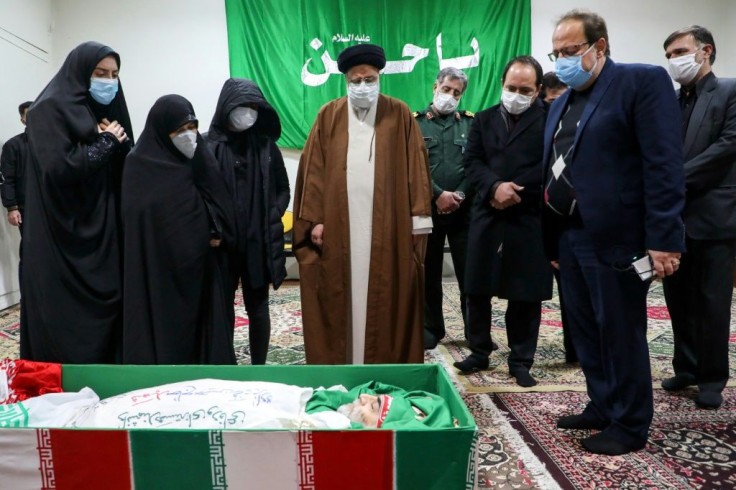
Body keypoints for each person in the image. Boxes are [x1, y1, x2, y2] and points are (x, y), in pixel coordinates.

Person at [542, 10, 685, 455]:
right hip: (570, 235)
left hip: (618, 236)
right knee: (585, 329)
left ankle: (629, 422)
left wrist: (664, 236)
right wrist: (553, 240)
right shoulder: (563, 101)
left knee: (620, 330)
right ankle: (602, 404)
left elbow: (663, 164)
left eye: (571, 51)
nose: (563, 60)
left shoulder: (641, 83)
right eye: (557, 52)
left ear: (599, 47)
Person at [293, 43, 433, 364]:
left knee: (388, 294)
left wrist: (418, 221)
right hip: (338, 225)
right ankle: (344, 364)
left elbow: (415, 166)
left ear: (379, 78)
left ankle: (383, 365)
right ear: (345, 81)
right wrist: (315, 219)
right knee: (340, 294)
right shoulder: (328, 115)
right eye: (355, 81)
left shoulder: (399, 113)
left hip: (389, 225)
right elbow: (313, 170)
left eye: (369, 80)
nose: (362, 87)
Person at [21, 42, 133, 363]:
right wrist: (107, 141)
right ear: (81, 72)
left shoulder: (96, 112)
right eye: (100, 73)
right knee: (65, 317)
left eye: (114, 74)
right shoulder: (48, 109)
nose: (109, 81)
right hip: (61, 236)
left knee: (110, 306)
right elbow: (59, 168)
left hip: (99, 232)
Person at [453, 56, 552, 388]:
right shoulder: (482, 119)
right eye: (511, 88)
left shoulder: (551, 119)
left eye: (525, 89)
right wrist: (495, 186)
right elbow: (472, 161)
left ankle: (521, 360)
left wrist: (514, 189)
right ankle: (479, 351)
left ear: (538, 90)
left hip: (528, 214)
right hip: (487, 211)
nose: (516, 94)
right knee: (477, 287)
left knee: (524, 292)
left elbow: (552, 164)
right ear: (501, 85)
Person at [121, 95, 235, 365]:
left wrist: (216, 228)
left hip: (200, 265)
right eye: (179, 130)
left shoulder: (200, 155)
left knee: (203, 328)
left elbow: (219, 198)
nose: (188, 135)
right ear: (162, 130)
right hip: (158, 269)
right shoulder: (139, 163)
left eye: (192, 127)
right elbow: (137, 219)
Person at [661, 26, 736, 409]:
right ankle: (686, 366)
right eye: (669, 54)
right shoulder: (670, 101)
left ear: (706, 50)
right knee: (678, 298)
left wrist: (675, 177)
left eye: (680, 51)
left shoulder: (729, 90)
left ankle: (712, 378)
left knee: (711, 302)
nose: (674, 60)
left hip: (714, 217)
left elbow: (728, 145)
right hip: (674, 219)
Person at [206, 78, 291, 365]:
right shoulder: (208, 146)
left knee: (258, 307)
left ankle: (259, 367)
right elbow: (198, 192)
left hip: (258, 242)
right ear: (227, 107)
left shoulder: (266, 147)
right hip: (222, 245)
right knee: (222, 309)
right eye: (243, 106)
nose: (248, 112)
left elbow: (283, 187)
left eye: (254, 106)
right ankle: (226, 364)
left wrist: (273, 213)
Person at [414, 68, 474, 350]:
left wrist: (458, 194)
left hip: (463, 212)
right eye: (446, 89)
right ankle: (431, 328)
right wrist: (438, 195)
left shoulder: (470, 124)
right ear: (435, 86)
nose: (450, 96)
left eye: (456, 92)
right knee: (430, 273)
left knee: (469, 274)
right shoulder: (415, 124)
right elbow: (413, 168)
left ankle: (474, 330)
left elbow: (475, 166)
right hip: (428, 211)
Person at [540, 73, 577, 363]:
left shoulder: (578, 122)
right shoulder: (542, 122)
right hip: (543, 219)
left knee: (574, 291)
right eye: (551, 100)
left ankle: (576, 350)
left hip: (575, 219)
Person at [1, 101, 32, 284]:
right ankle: (27, 298)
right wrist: (11, 207)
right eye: (30, 116)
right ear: (23, 120)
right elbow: (6, 179)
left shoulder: (54, 143)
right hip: (26, 208)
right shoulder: (13, 146)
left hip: (53, 207)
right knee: (30, 252)